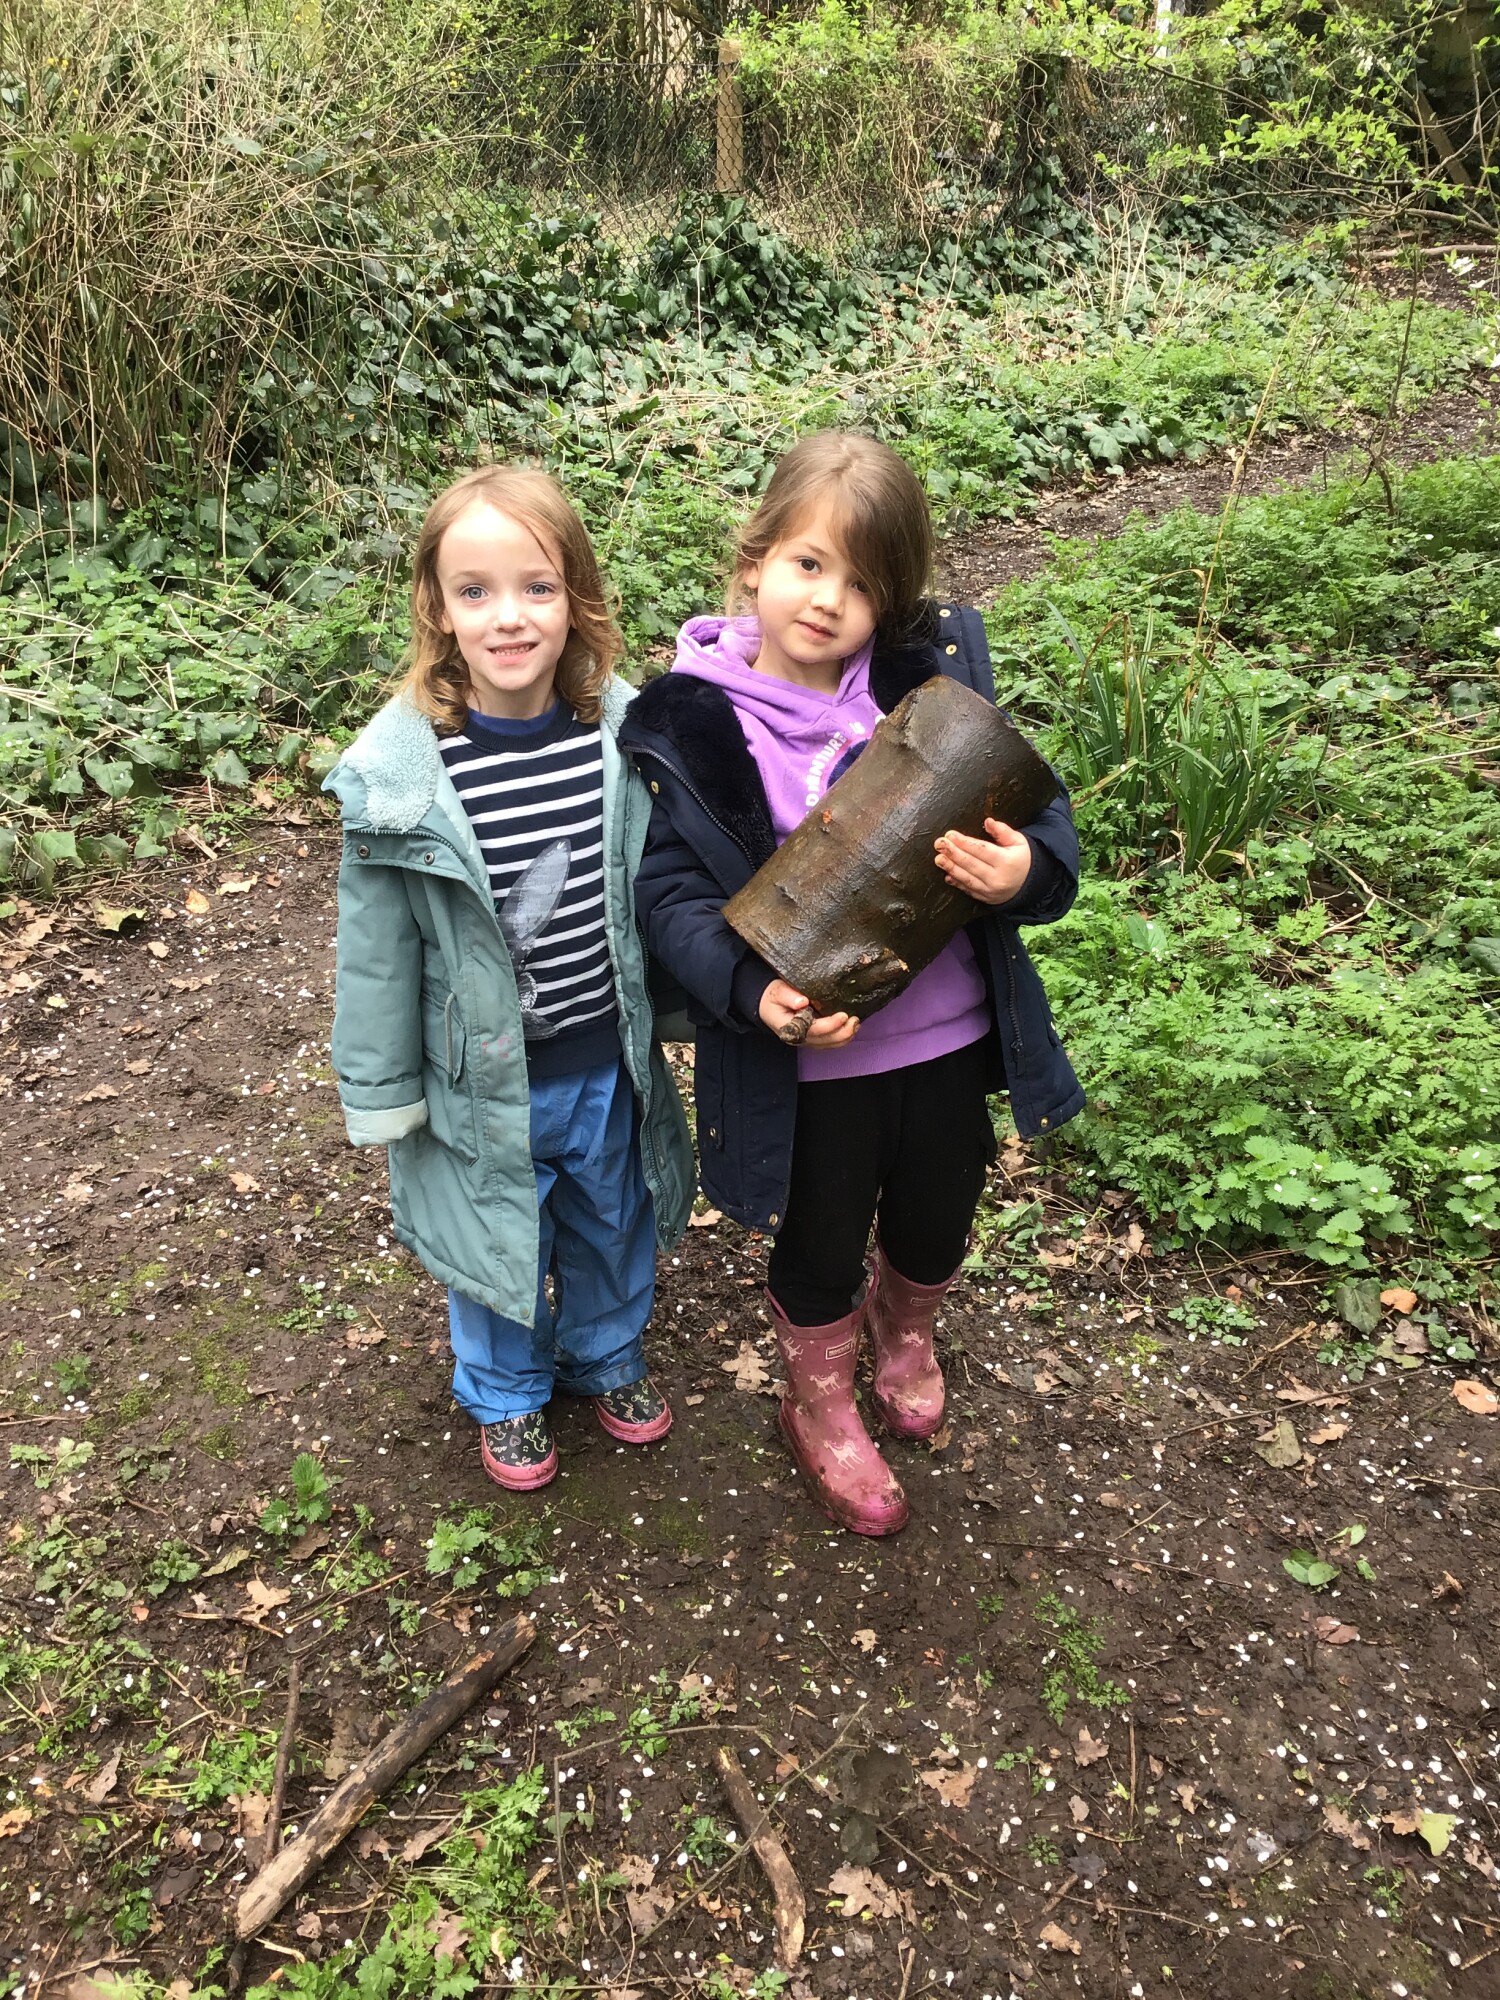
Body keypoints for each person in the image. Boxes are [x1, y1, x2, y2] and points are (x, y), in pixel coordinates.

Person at [618, 431, 1082, 1537]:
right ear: (754, 561)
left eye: (864, 583)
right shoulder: (695, 722)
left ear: (896, 599)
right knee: (821, 1236)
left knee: (939, 1211)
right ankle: (818, 1397)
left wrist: (1023, 868)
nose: (830, 600)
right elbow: (669, 896)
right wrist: (749, 988)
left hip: (951, 1036)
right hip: (815, 1066)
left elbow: (1042, 812)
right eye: (808, 563)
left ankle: (905, 1329)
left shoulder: (927, 687)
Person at [325, 465, 693, 1491]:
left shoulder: (620, 742)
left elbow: (661, 889)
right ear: (438, 609)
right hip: (478, 1083)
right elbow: (377, 950)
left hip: (603, 1061)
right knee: (493, 1241)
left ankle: (605, 1353)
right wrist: (381, 1087)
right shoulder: (403, 781)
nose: (509, 616)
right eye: (475, 590)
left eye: (536, 586)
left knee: (611, 1217)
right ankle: (506, 1389)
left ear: (576, 596)